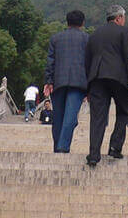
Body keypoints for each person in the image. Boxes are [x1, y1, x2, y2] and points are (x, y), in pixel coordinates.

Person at [84, 5, 128, 167]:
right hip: (118, 78)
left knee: (98, 117)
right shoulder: (125, 32)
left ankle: (93, 155)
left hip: (97, 78)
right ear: (119, 18)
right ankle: (115, 147)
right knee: (123, 111)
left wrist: (88, 86)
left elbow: (87, 61)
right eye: (123, 18)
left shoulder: (94, 35)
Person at [44, 9, 89, 153]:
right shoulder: (87, 39)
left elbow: (50, 62)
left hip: (58, 82)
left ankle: (58, 147)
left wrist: (48, 81)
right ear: (82, 23)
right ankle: (62, 147)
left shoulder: (56, 38)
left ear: (67, 22)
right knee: (70, 117)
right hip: (79, 83)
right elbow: (90, 64)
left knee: (58, 117)